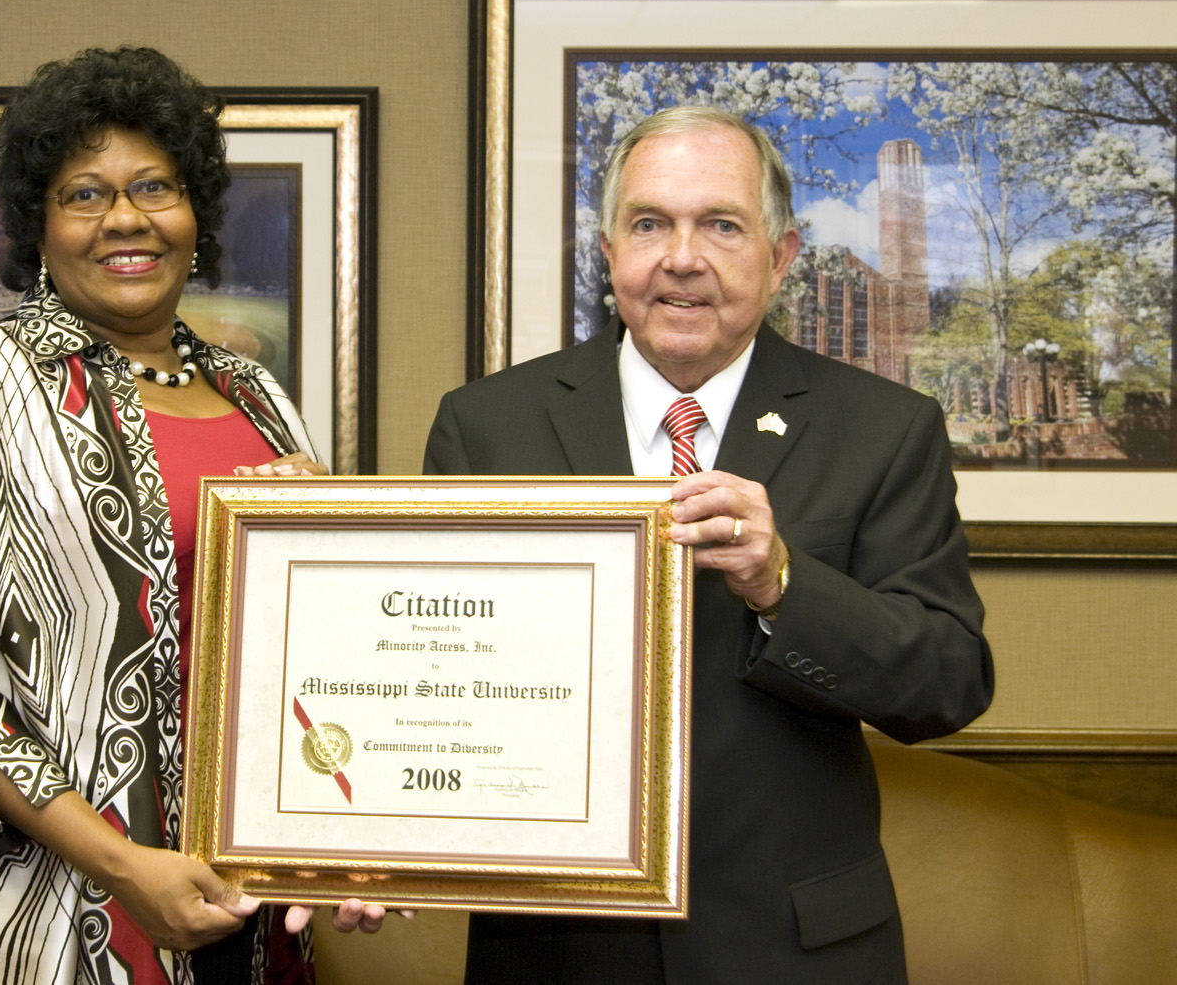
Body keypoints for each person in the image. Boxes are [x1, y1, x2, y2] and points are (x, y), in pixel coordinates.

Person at [424, 106, 993, 983]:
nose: (681, 256)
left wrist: (785, 584)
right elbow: (436, 673)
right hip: (557, 949)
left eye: (720, 224)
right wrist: (362, 842)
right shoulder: (487, 426)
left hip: (797, 950)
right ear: (609, 251)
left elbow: (948, 682)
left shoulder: (885, 430)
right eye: (650, 223)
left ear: (782, 257)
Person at [0, 46, 384, 985]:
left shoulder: (258, 394)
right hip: (39, 922)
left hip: (255, 918)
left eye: (154, 185)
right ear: (39, 222)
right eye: (84, 194)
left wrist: (350, 834)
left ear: (195, 212)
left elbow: (314, 660)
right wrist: (123, 864)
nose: (126, 219)